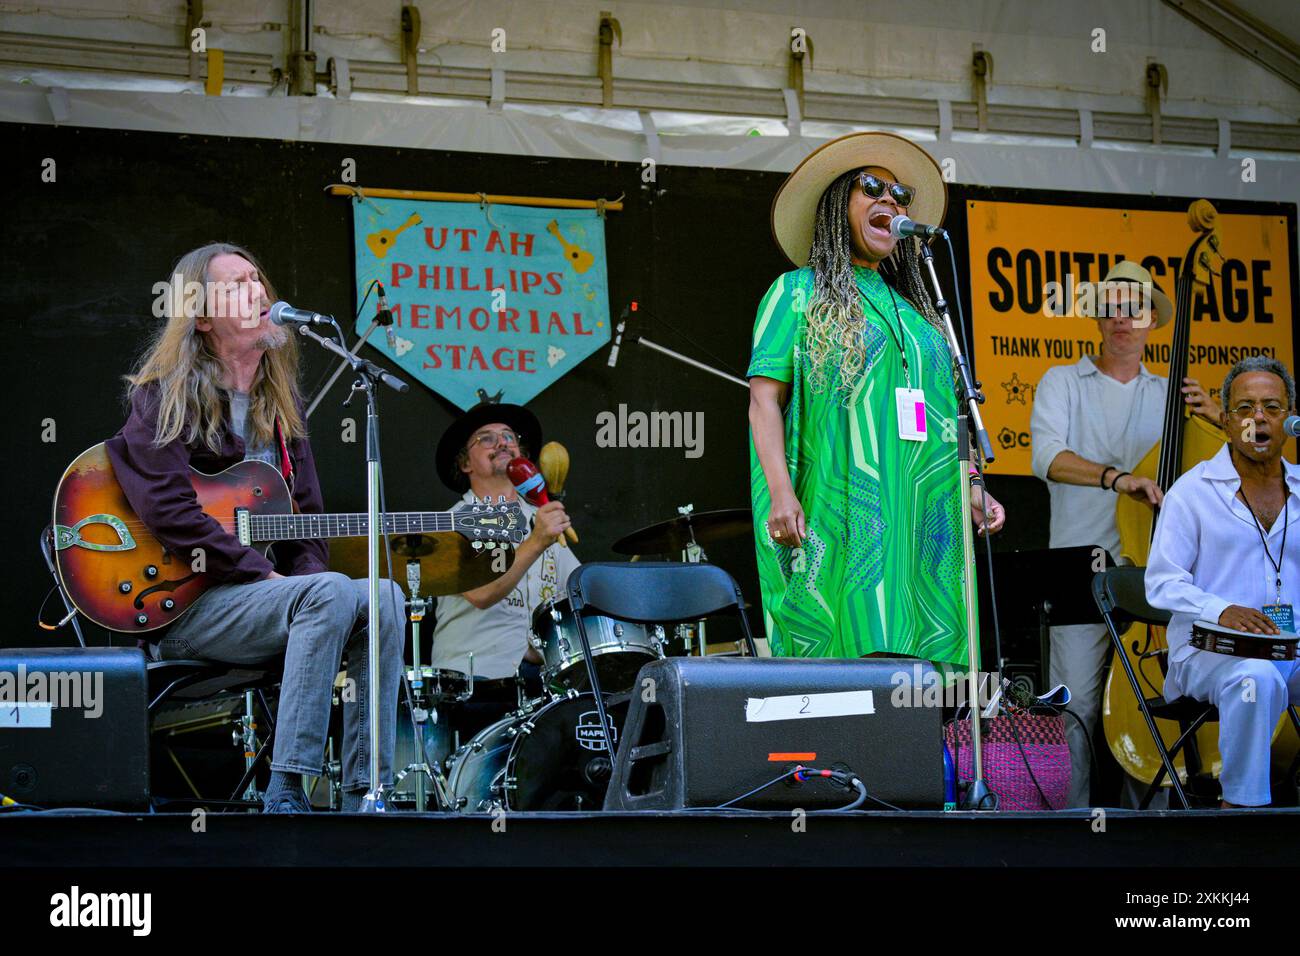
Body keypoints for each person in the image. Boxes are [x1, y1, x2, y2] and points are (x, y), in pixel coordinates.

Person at [105, 242, 404, 813]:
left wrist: (307, 582)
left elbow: (308, 519)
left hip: (265, 600)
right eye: (238, 285)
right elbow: (169, 510)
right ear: (201, 316)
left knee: (384, 596)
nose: (260, 291)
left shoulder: (281, 402)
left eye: (257, 279)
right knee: (328, 592)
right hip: (185, 606)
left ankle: (367, 790)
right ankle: (287, 788)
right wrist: (266, 574)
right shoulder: (161, 396)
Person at [748, 131, 1004, 666]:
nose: (890, 201)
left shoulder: (924, 320)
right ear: (837, 203)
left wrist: (974, 485)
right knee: (855, 662)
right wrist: (779, 492)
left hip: (924, 525)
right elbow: (764, 399)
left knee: (922, 676)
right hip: (844, 517)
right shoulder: (796, 292)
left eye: (900, 194)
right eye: (871, 188)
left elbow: (947, 417)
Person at [1030, 261, 1221, 806]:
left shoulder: (1173, 397)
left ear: (1151, 323)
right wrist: (1118, 480)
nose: (1122, 320)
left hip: (1153, 564)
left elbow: (1228, 476)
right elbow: (1046, 456)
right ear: (1096, 319)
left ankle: (1156, 826)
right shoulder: (1062, 380)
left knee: (1156, 704)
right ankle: (1075, 828)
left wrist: (1219, 422)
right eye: (1111, 309)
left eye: (1133, 310)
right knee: (1079, 706)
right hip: (1079, 562)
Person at [1146, 356, 1300, 807]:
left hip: (1290, 651)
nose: (1258, 417)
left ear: (1290, 419)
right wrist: (1222, 609)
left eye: (1272, 407)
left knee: (1267, 674)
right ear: (1227, 419)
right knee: (1256, 677)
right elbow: (1161, 583)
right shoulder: (1192, 492)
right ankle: (1242, 809)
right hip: (1209, 653)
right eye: (1245, 407)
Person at [429, 401, 577, 744]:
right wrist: (537, 541)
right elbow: (481, 593)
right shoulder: (456, 520)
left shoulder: (539, 515)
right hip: (473, 688)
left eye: (509, 437)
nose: (502, 442)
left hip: (541, 688)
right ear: (465, 463)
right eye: (486, 438)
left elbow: (576, 594)